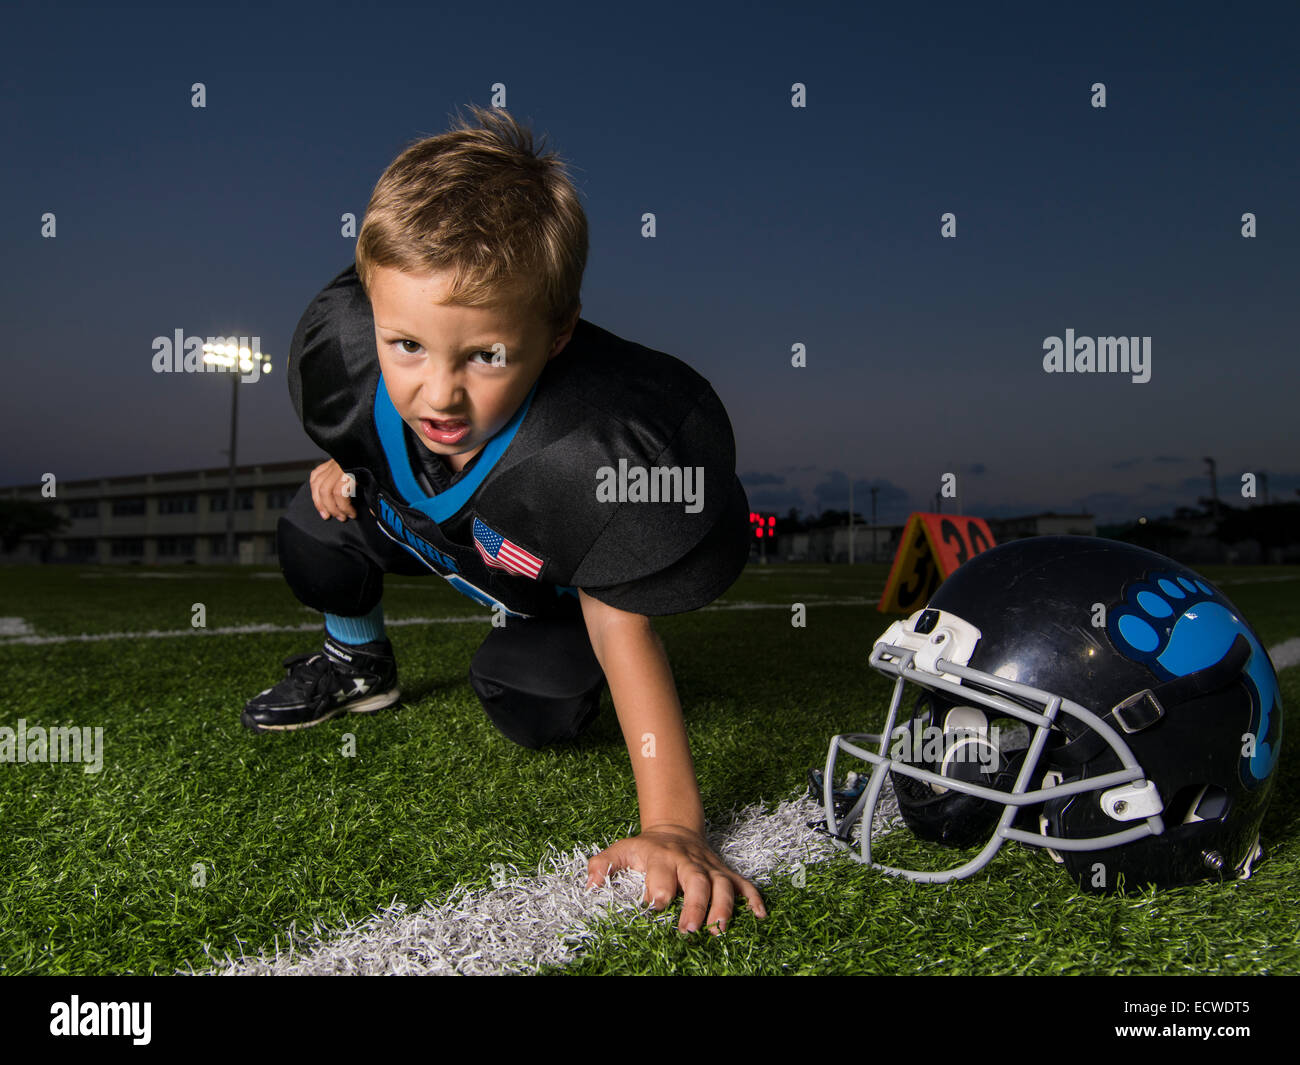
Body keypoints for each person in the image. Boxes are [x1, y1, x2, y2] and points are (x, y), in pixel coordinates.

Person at [243, 104, 766, 935]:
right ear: (372, 310)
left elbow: (621, 625)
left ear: (558, 335)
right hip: (438, 533)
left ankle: (545, 664)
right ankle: (359, 662)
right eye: (406, 345)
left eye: (485, 355)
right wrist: (355, 457)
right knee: (315, 524)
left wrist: (673, 824)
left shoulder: (593, 451)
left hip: (539, 582)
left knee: (534, 702)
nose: (438, 393)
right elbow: (380, 401)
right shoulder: (344, 356)